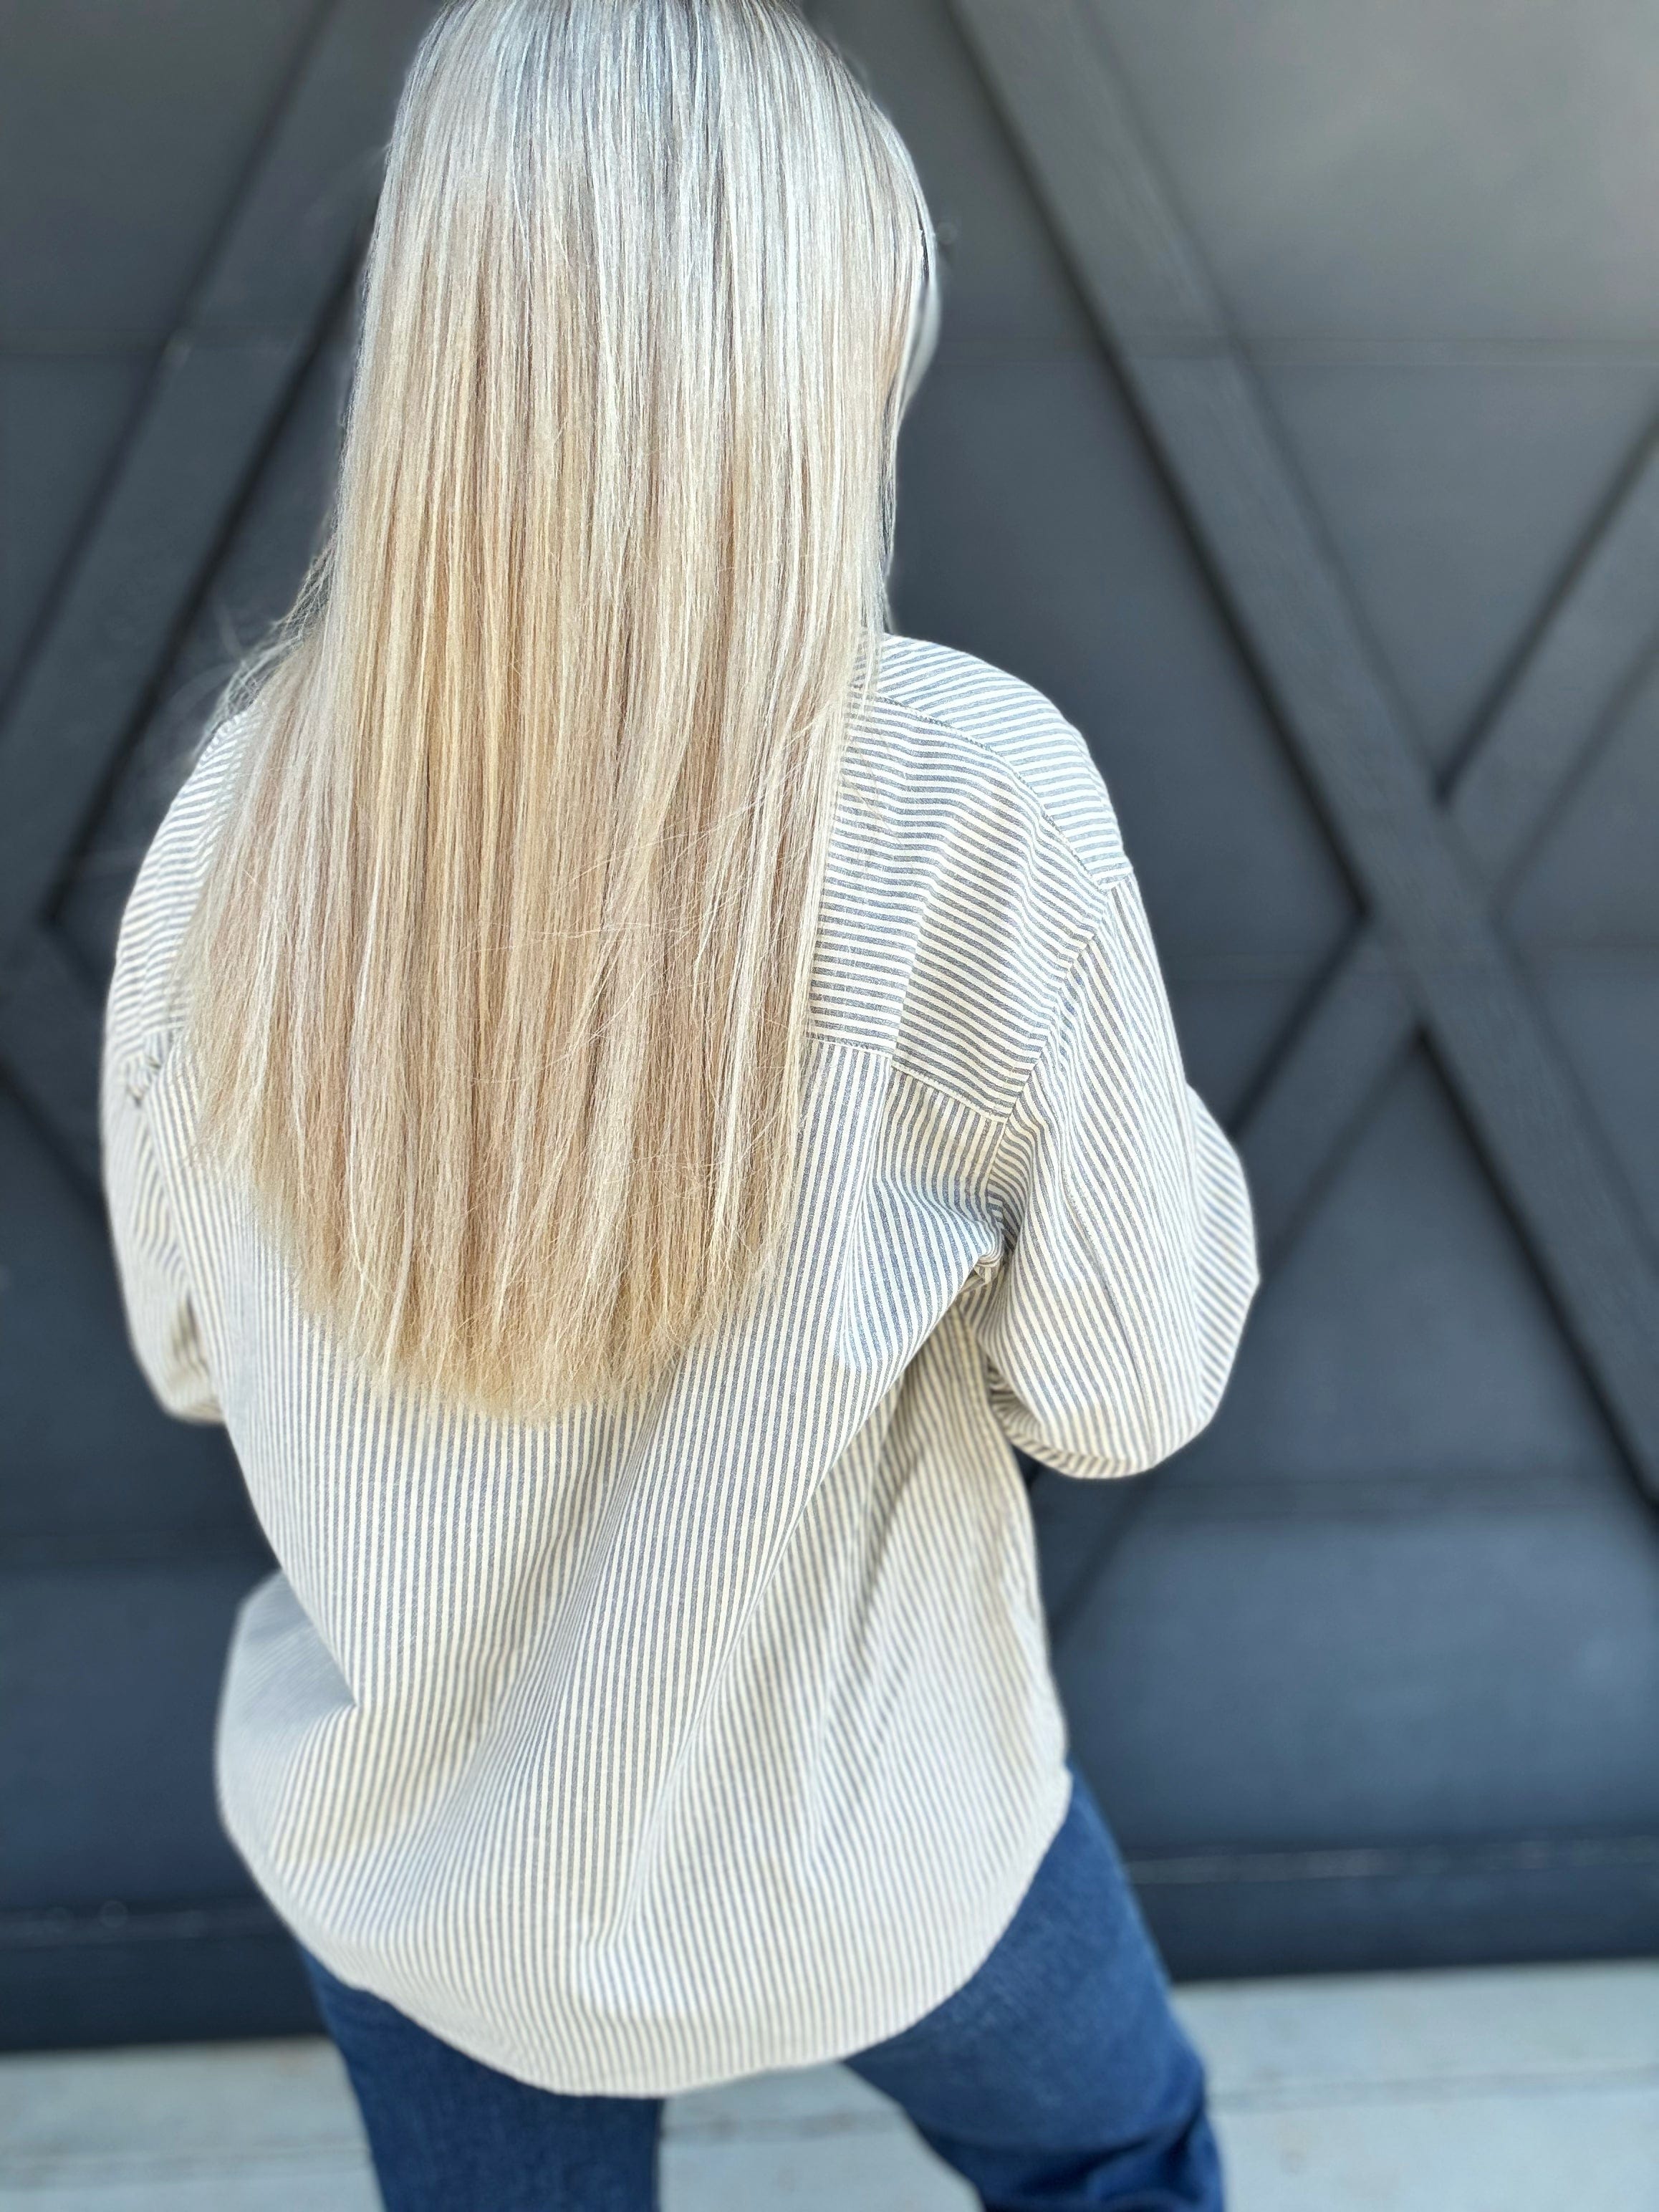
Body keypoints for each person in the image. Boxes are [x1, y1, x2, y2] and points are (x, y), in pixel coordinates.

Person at [99, 2, 1259, 2205]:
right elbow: (1123, 1387)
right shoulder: (968, 790)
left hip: (437, 1881)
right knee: (1117, 2163)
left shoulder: (236, 814)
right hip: (869, 1838)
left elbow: (184, 1354)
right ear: (806, 360)